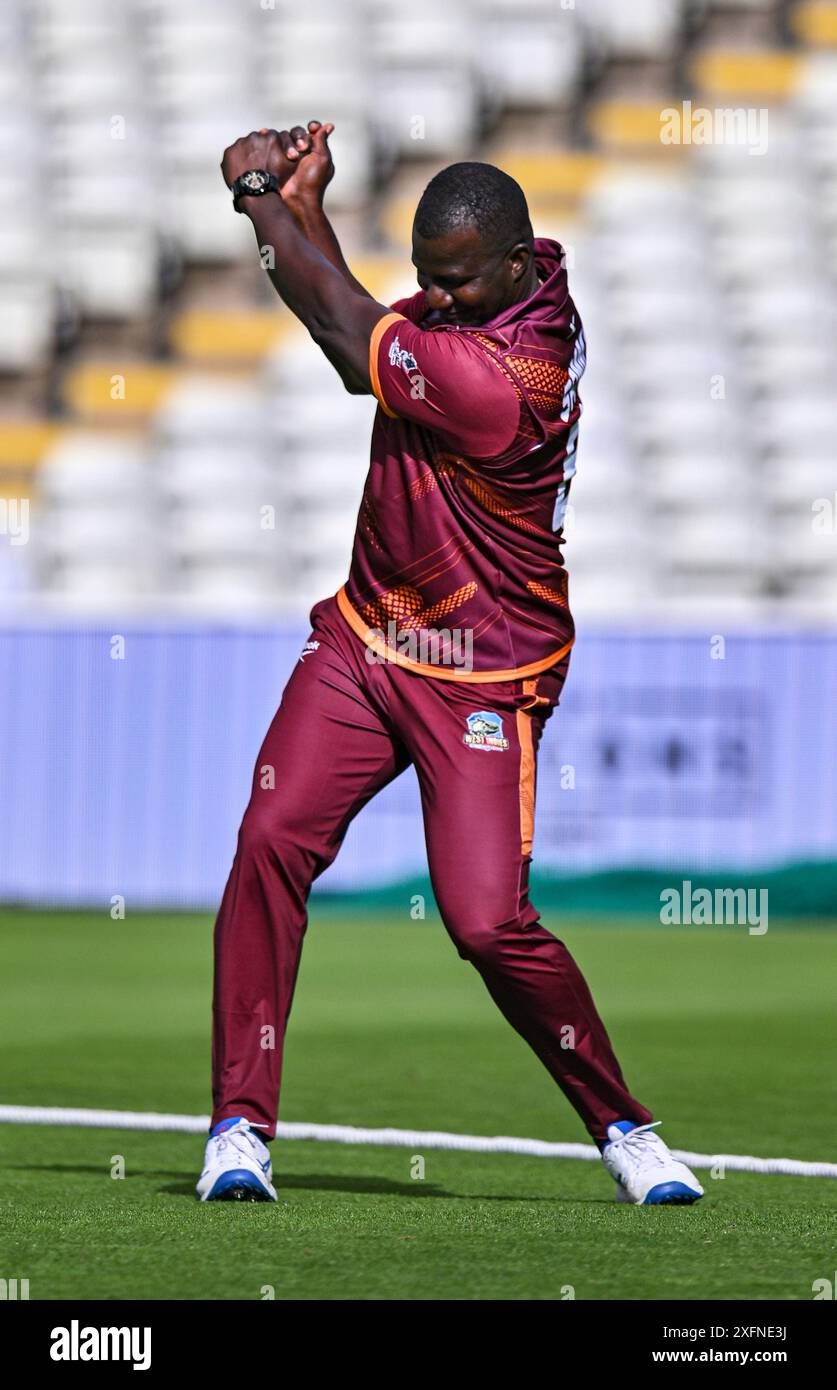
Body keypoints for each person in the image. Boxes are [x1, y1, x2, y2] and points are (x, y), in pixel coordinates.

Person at [197, 121, 704, 1207]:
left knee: (484, 921)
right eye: (428, 280)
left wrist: (258, 198)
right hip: (367, 636)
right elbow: (361, 332)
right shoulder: (490, 291)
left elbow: (347, 338)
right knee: (268, 840)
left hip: (483, 669)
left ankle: (624, 1125)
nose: (439, 296)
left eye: (458, 283)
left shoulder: (509, 375)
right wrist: (307, 206)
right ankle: (240, 1125)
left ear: (517, 264)